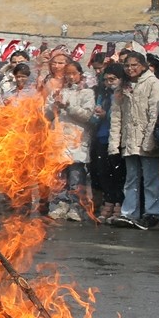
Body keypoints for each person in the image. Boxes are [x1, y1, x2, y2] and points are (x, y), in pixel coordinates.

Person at [108, 48, 159, 230]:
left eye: (134, 65)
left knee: (150, 179)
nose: (130, 68)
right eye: (127, 65)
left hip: (148, 139)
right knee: (131, 178)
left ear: (143, 66)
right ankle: (129, 213)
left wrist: (149, 141)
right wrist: (114, 144)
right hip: (129, 140)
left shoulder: (153, 83)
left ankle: (153, 213)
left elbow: (155, 114)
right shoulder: (122, 87)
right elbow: (116, 117)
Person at [45, 60, 95, 222]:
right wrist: (54, 106)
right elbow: (46, 115)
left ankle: (76, 206)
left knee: (76, 177)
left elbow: (87, 115)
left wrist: (68, 107)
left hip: (77, 141)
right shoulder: (58, 92)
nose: (71, 77)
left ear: (80, 74)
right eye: (68, 74)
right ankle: (60, 204)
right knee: (59, 178)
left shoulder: (87, 93)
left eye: (74, 73)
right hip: (59, 141)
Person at [90, 63, 126, 223]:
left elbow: (123, 116)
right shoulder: (103, 94)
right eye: (106, 79)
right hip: (101, 137)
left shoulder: (123, 94)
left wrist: (107, 115)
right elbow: (93, 118)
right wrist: (97, 114)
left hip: (117, 139)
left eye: (112, 79)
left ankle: (119, 203)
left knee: (118, 174)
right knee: (103, 173)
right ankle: (109, 201)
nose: (109, 82)